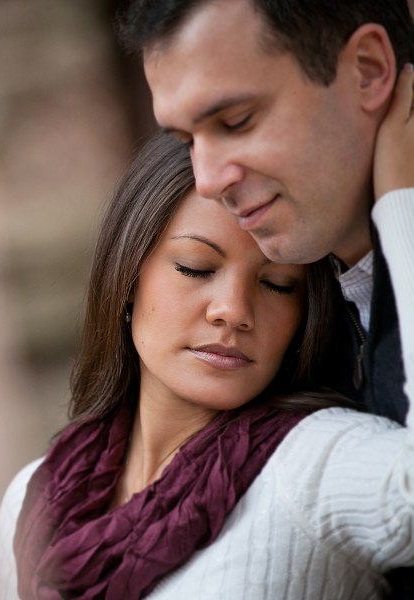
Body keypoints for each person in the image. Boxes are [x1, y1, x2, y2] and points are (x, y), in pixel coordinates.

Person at [0, 130, 414, 598]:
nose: (233, 310)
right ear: (128, 276)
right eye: (195, 267)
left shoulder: (311, 462)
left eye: (277, 285)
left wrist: (400, 198)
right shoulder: (33, 498)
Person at [117, 2, 414, 594]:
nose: (206, 178)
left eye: (235, 121)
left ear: (368, 69)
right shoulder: (332, 310)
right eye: (184, 137)